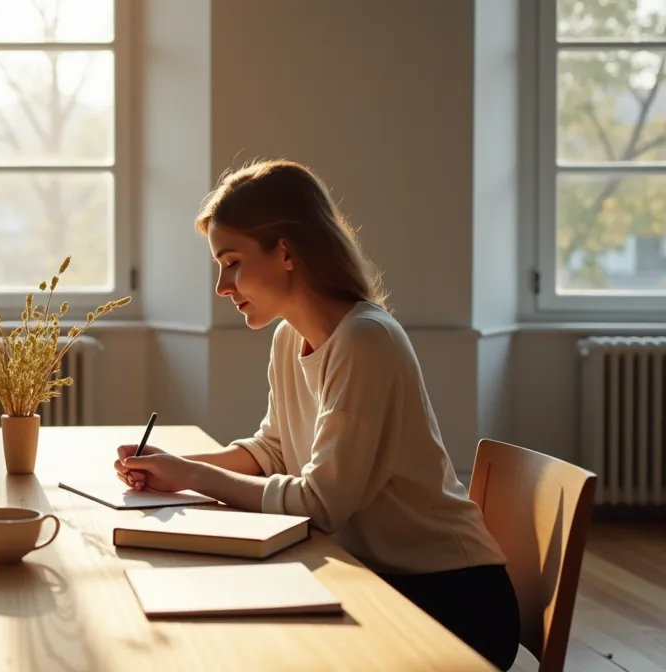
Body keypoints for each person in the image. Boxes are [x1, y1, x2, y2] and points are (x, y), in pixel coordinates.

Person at [113, 160, 520, 670]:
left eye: (232, 261)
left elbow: (322, 504)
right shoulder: (289, 337)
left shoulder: (366, 340)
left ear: (286, 251)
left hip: (451, 599)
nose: (222, 285)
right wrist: (168, 464)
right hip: (372, 574)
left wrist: (193, 475)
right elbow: (274, 451)